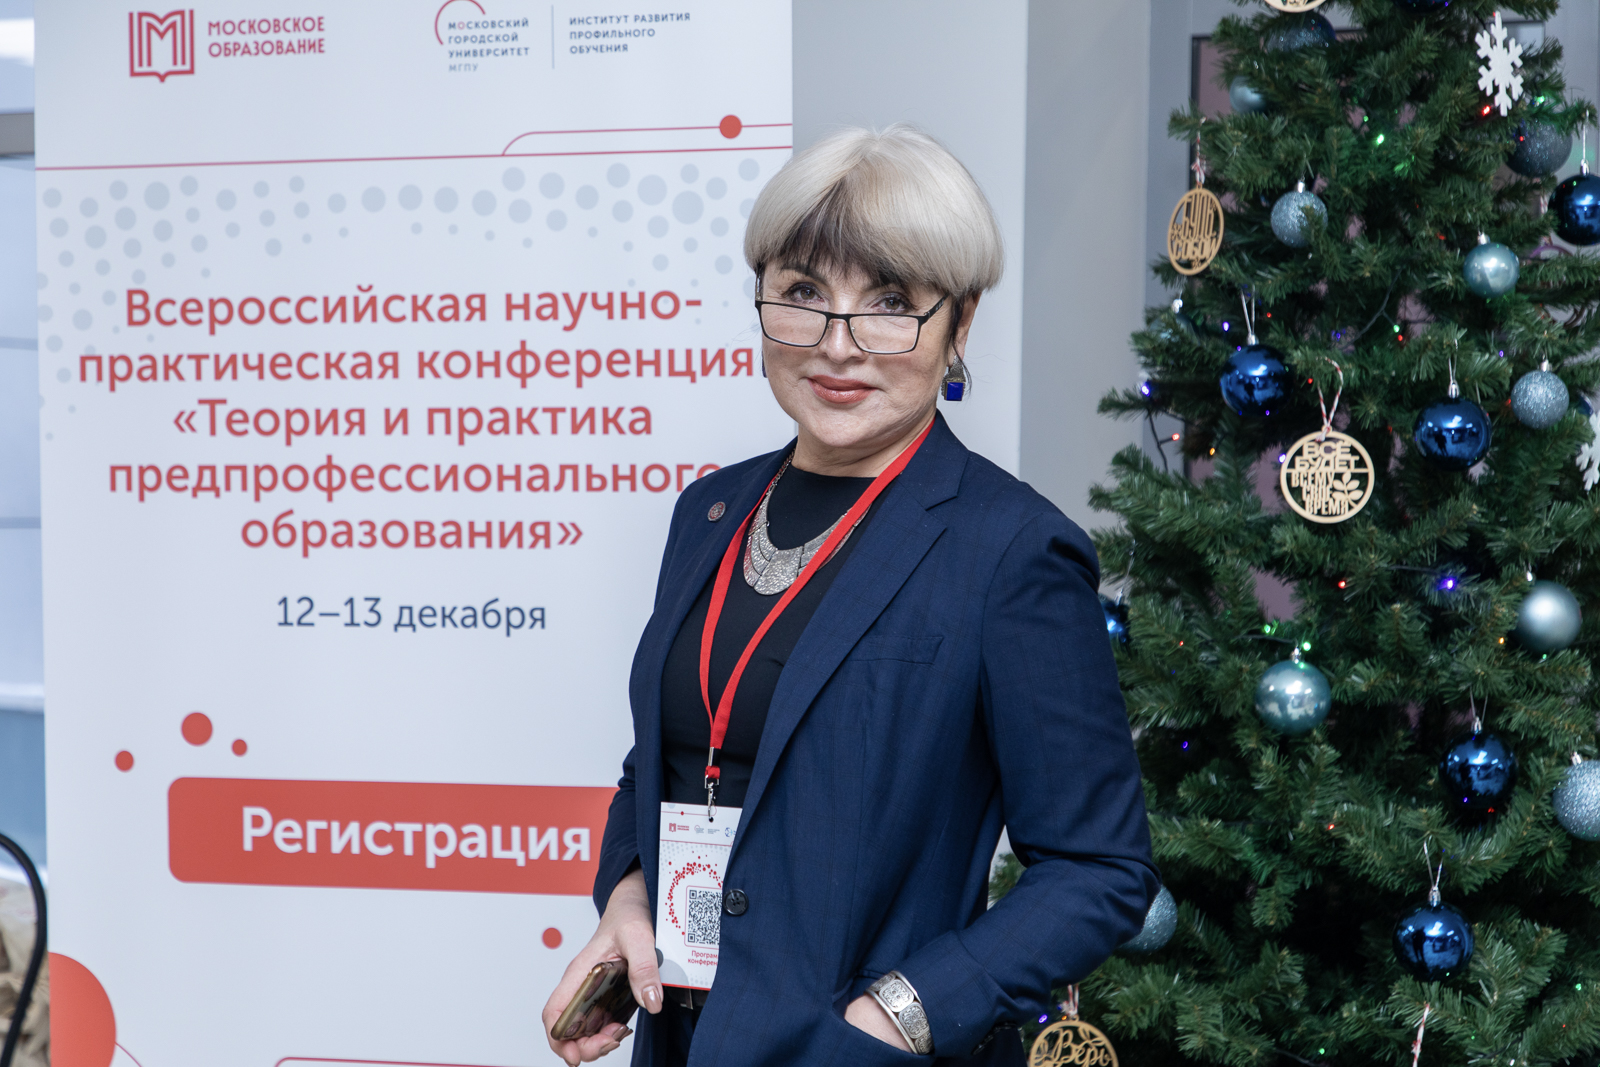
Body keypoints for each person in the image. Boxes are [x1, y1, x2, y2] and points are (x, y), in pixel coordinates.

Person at [542, 124, 1158, 1066]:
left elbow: (1098, 869)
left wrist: (895, 1016)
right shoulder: (709, 511)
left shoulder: (1011, 549)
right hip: (685, 1040)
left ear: (960, 324)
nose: (838, 345)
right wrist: (627, 899)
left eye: (890, 303)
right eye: (801, 295)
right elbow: (665, 761)